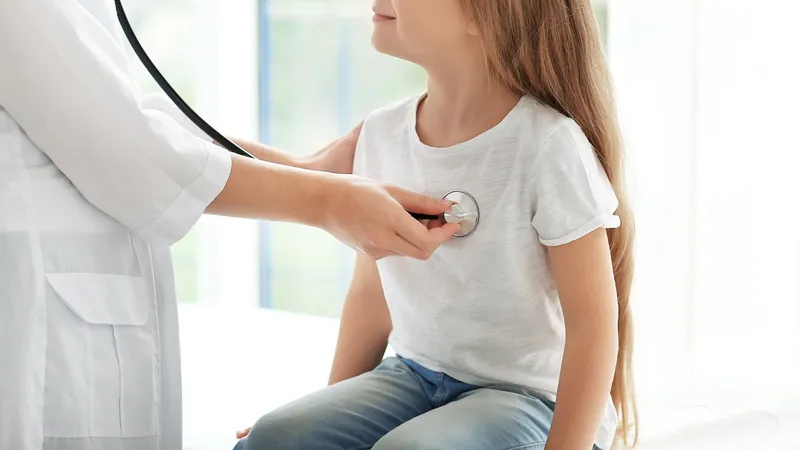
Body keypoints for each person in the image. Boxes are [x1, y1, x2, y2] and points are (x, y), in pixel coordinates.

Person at [0, 1, 460, 449]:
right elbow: (119, 142)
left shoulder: (528, 144)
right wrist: (326, 198)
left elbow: (123, 112)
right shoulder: (392, 133)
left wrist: (309, 170)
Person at [235, 0, 638, 449]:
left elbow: (594, 324)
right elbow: (372, 296)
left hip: (528, 397)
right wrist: (324, 420)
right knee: (274, 439)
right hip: (413, 376)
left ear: (484, 13)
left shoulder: (548, 145)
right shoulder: (381, 134)